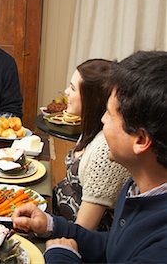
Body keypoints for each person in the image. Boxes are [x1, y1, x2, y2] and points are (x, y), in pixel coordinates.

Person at [12, 51, 167, 263]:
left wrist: (62, 256)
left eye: (110, 115)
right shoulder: (137, 187)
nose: (102, 120)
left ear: (140, 140)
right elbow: (114, 246)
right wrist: (52, 225)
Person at [53, 59, 130, 230]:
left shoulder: (105, 150)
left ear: (92, 99)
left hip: (76, 240)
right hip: (58, 221)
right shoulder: (92, 128)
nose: (66, 92)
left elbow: (84, 231)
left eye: (72, 88)